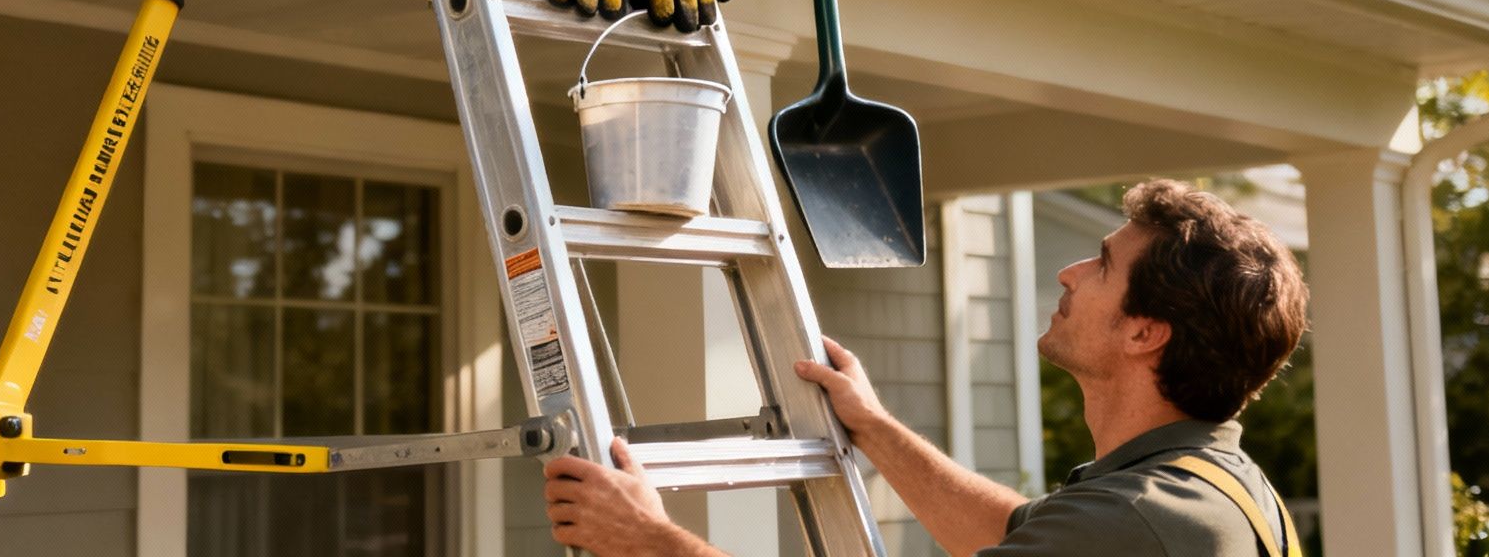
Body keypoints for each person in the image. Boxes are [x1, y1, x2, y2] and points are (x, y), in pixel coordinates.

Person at [543, 179, 1310, 556]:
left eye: (1102, 265)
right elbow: (1014, 529)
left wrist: (644, 536)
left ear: (1146, 333)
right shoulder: (1204, 489)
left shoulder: (1140, 519)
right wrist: (873, 428)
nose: (1069, 273)